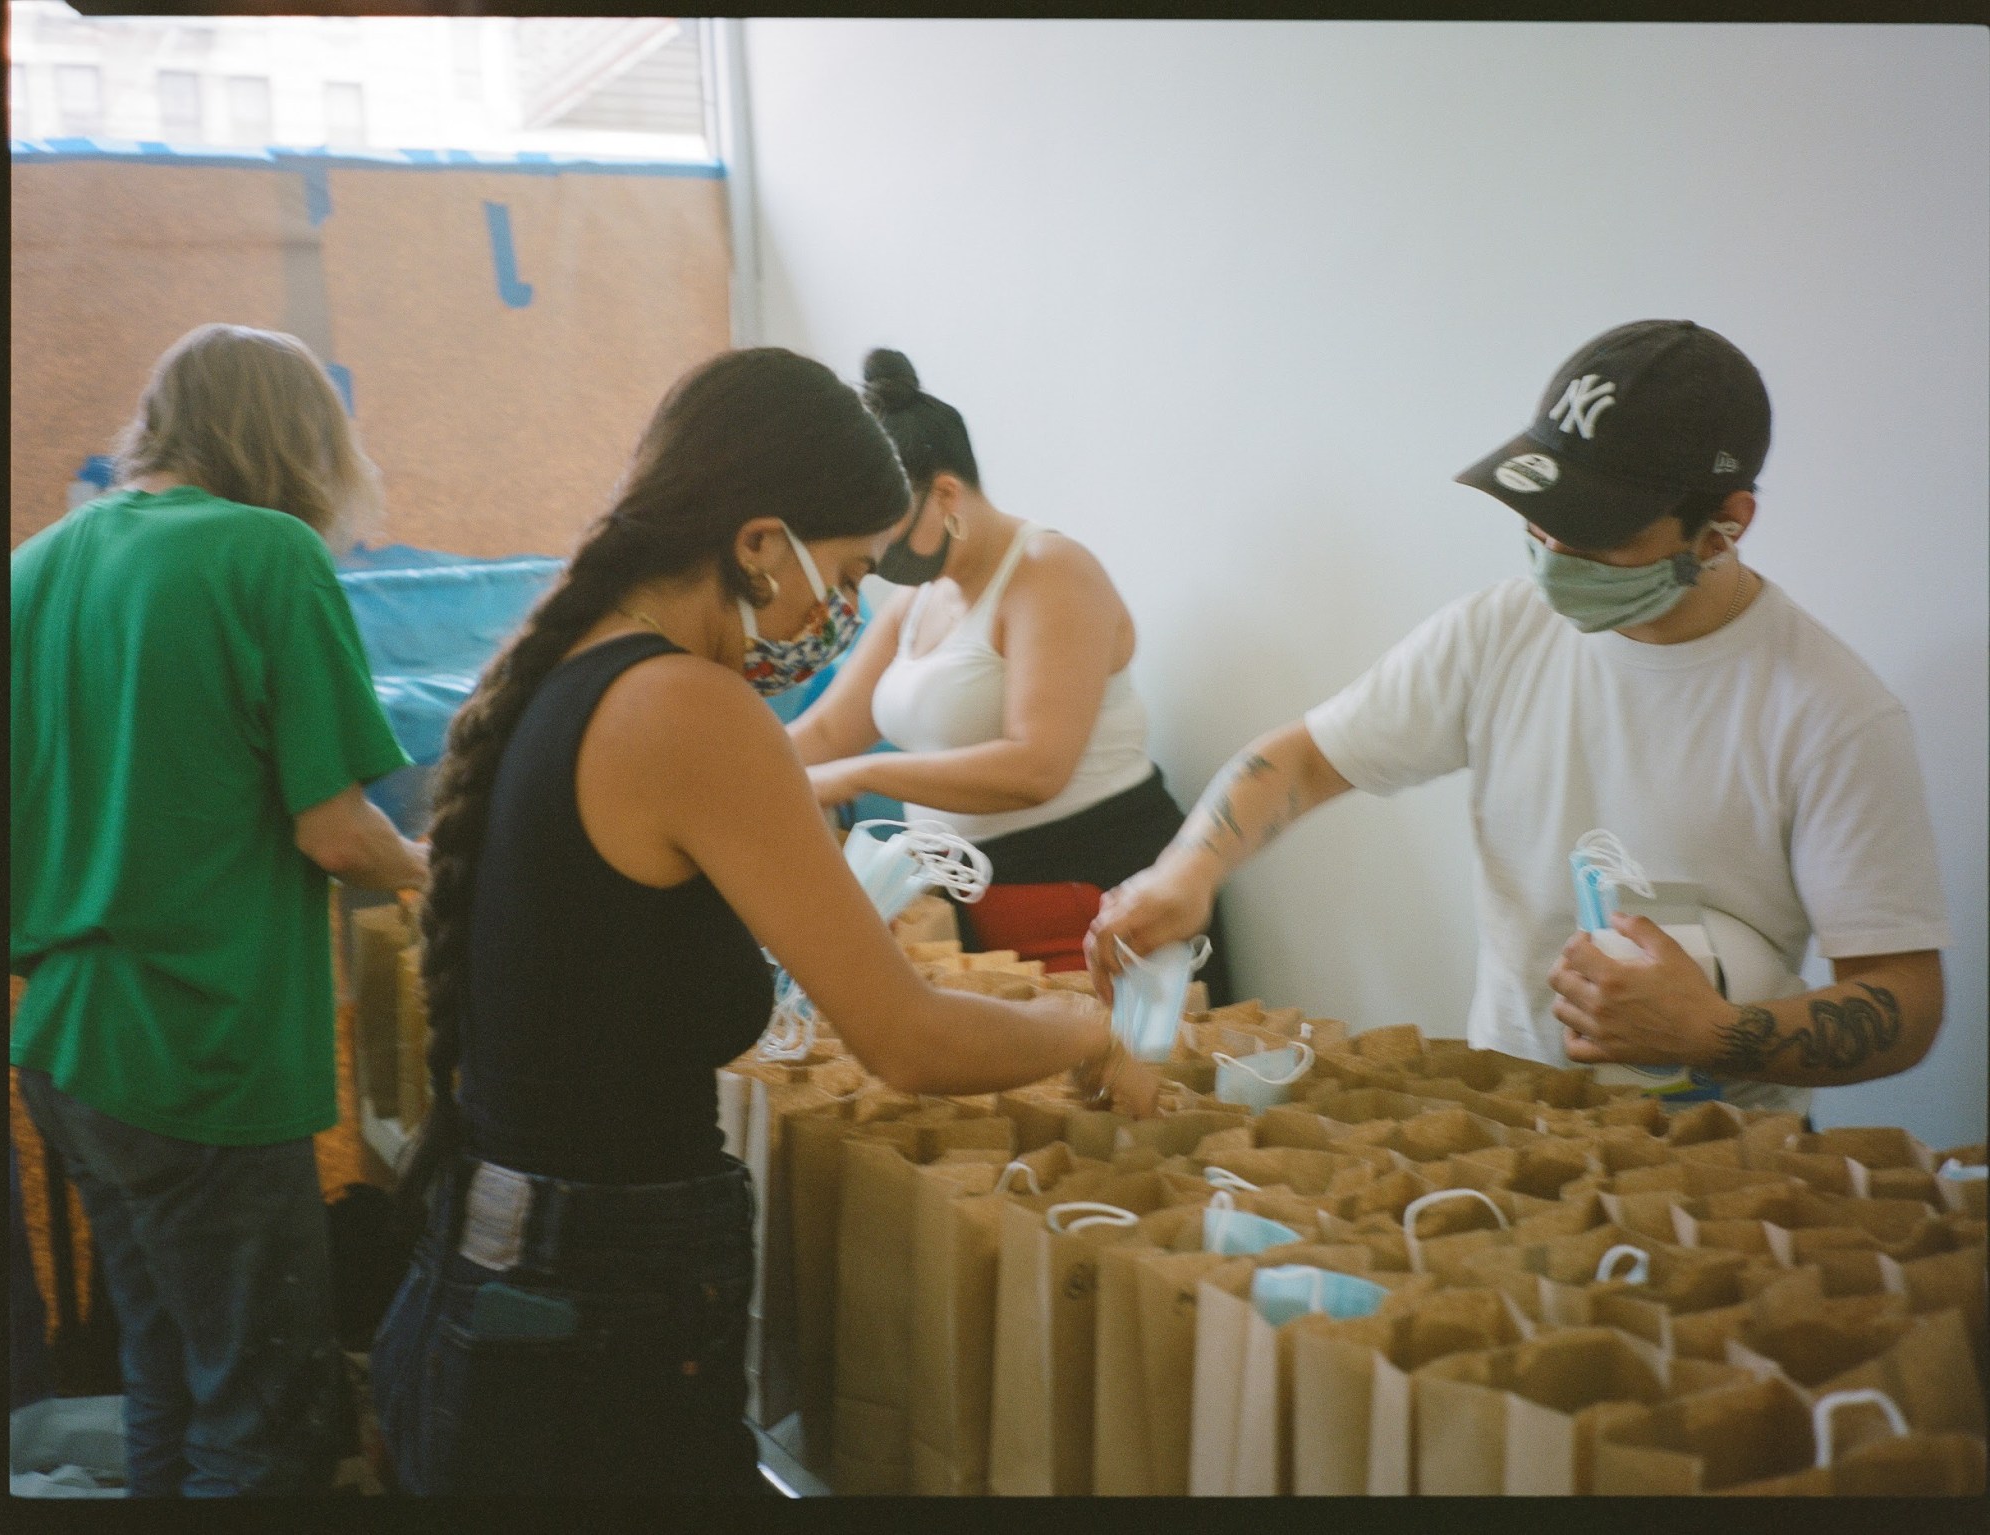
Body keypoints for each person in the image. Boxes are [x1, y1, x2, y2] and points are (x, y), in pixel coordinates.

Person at [369, 347, 1157, 1498]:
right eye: (841, 572)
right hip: (591, 1319)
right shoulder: (689, 708)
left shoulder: (568, 666)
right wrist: (1090, 1032)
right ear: (756, 543)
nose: (844, 609)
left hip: (503, 1284)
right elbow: (909, 1038)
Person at [1087, 320, 1950, 1120]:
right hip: (1510, 1123)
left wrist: (1711, 1032)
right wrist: (1188, 871)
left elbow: (1904, 1000)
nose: (1554, 553)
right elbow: (1308, 758)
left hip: (1723, 1166)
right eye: (1542, 516)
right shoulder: (1500, 631)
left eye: (1596, 531)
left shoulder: (1832, 713)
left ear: (1723, 528)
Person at [10, 323, 430, 1496]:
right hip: (202, 1051)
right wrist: (441, 869)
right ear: (292, 438)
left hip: (68, 1048)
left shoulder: (36, 564)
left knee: (166, 1374)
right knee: (263, 1413)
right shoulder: (266, 552)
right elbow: (334, 827)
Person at [788, 349, 1233, 1002]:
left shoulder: (1051, 572)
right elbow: (828, 729)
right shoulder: (922, 597)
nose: (876, 558)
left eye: (885, 530)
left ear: (943, 495)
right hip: (975, 904)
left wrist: (858, 776)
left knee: (1117, 1092)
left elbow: (1036, 767)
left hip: (1091, 900)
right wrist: (740, 773)